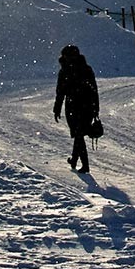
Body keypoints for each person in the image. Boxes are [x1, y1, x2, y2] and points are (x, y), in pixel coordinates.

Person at [53, 44, 100, 173]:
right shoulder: (86, 69)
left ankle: (85, 165)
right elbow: (94, 90)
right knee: (79, 134)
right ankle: (74, 160)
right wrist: (96, 108)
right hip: (87, 106)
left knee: (78, 134)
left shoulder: (65, 71)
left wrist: (57, 108)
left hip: (74, 106)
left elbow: (60, 92)